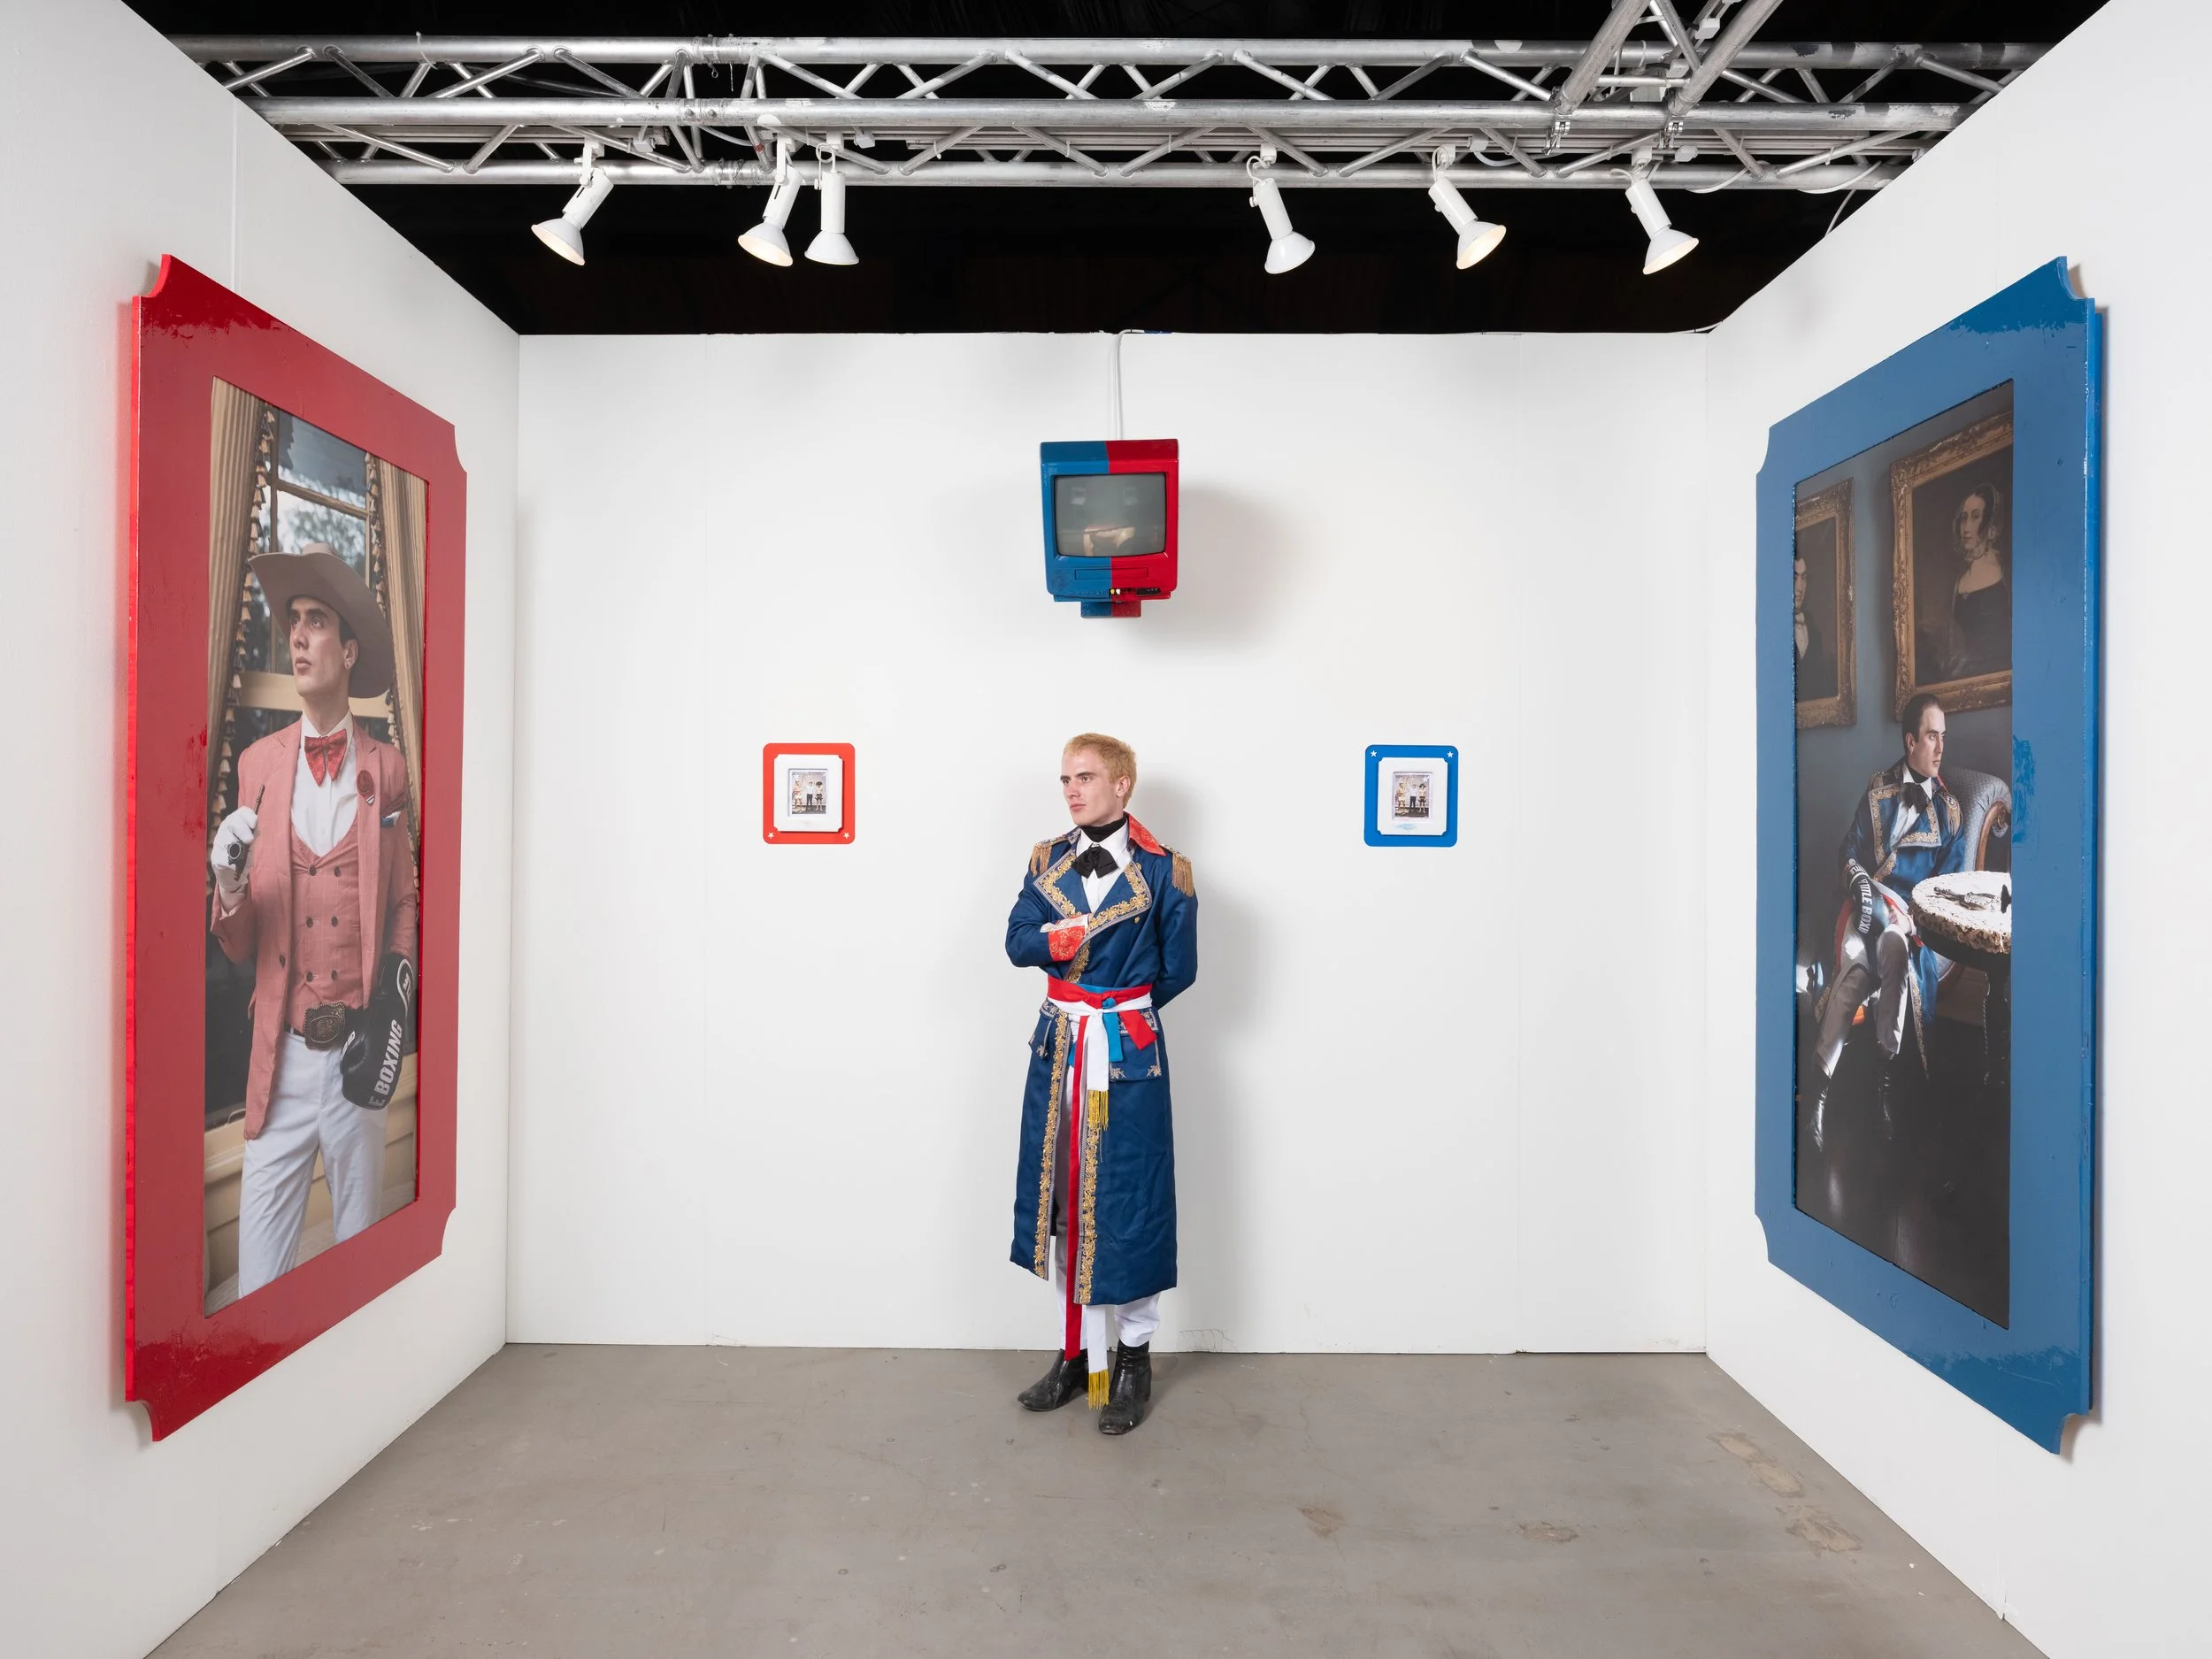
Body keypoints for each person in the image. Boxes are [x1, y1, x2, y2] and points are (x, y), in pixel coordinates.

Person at [210, 546, 418, 1298]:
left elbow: (402, 898)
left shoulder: (387, 770)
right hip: (284, 1058)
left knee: (361, 1259)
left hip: (357, 1052)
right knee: (260, 1282)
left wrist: (391, 1009)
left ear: (349, 648)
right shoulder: (259, 766)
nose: (297, 637)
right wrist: (227, 882)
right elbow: (237, 940)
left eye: (317, 622)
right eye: (292, 622)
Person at [1004, 734, 1197, 1435]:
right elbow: (1016, 938)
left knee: (1126, 1199)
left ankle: (1133, 1359)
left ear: (1122, 785)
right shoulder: (1046, 860)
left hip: (1124, 1055)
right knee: (1064, 1195)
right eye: (1064, 778)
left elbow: (1179, 970)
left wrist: (1116, 1010)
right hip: (1059, 1050)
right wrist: (1056, 943)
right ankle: (1075, 1354)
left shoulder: (1166, 873)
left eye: (1085, 777)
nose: (1071, 790)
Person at [1807, 692, 1966, 1148]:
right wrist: (1859, 882)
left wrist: (1907, 916)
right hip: (1860, 913)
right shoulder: (1877, 788)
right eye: (1932, 736)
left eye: (1944, 737)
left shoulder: (1950, 815)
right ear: (1910, 740)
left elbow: (1945, 890)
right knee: (1859, 957)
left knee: (1878, 960)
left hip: (1907, 928)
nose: (1940, 748)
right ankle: (1820, 1097)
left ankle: (1878, 1083)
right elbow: (1848, 850)